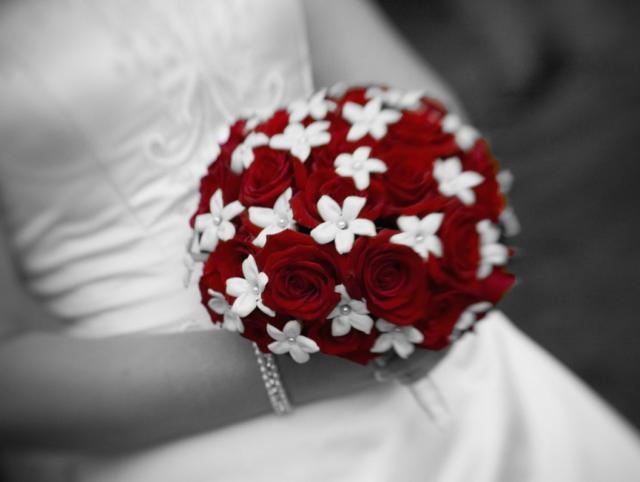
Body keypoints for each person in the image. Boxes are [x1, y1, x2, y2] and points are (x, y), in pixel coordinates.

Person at [0, 0, 638, 480]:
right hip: (183, 417)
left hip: (416, 322)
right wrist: (321, 364)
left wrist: (446, 238)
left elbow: (416, 108)